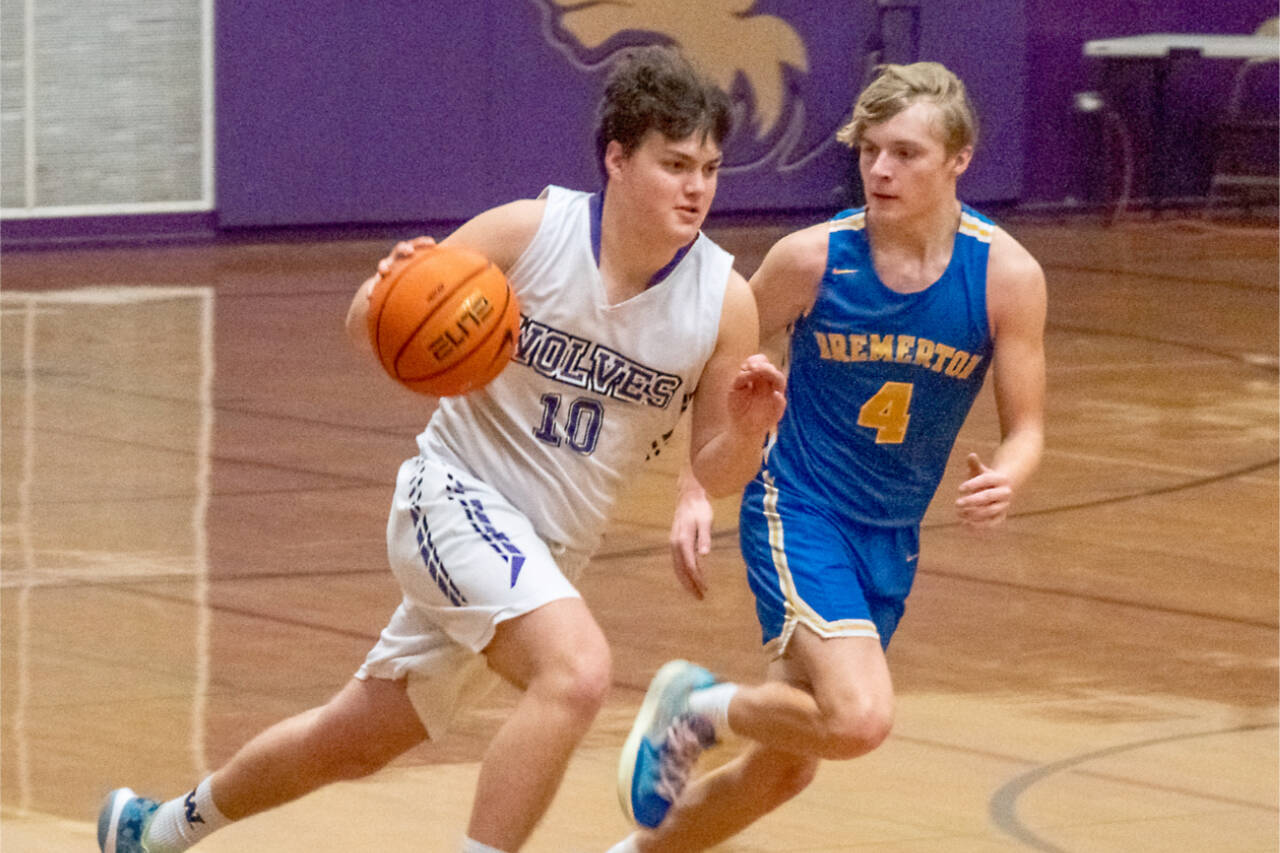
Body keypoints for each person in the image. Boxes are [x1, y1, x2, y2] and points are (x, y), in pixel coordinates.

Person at [97, 45, 786, 853]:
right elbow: (369, 325)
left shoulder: (724, 302)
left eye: (709, 167)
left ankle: (156, 829)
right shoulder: (531, 232)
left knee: (352, 738)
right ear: (618, 158)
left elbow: (718, 472)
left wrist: (744, 428)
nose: (697, 187)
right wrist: (386, 289)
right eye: (675, 164)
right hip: (454, 498)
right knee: (578, 672)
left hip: (549, 551)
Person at [611, 61, 1047, 852]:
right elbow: (711, 358)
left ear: (961, 158)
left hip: (891, 535)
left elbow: (1028, 428)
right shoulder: (813, 259)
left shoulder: (1006, 277)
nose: (880, 169)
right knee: (858, 717)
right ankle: (697, 705)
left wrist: (1007, 476)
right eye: (870, 149)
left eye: (907, 153)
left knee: (783, 770)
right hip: (800, 508)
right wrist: (700, 481)